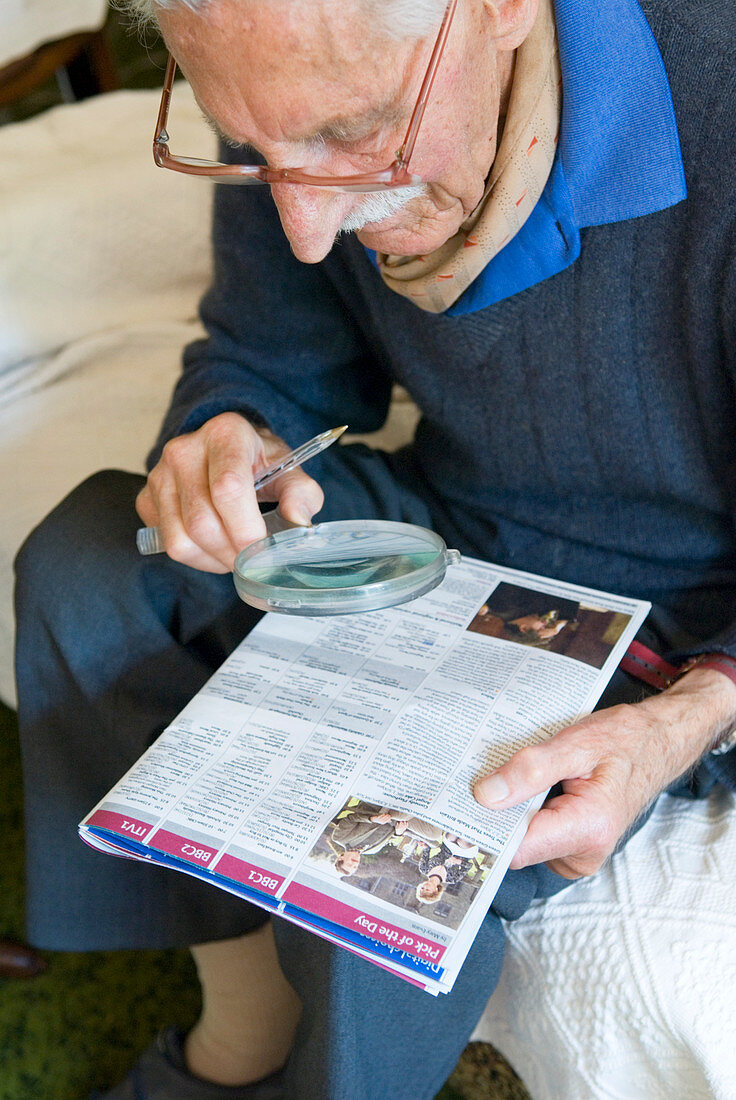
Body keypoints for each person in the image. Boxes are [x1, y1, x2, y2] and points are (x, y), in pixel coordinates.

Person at [13, 0, 736, 1096]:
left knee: (383, 861)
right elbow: (268, 354)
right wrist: (229, 443)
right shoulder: (283, 75)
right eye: (257, 150)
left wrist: (689, 714)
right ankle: (238, 1039)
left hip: (686, 606)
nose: (307, 227)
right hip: (456, 525)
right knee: (91, 560)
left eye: (355, 133)